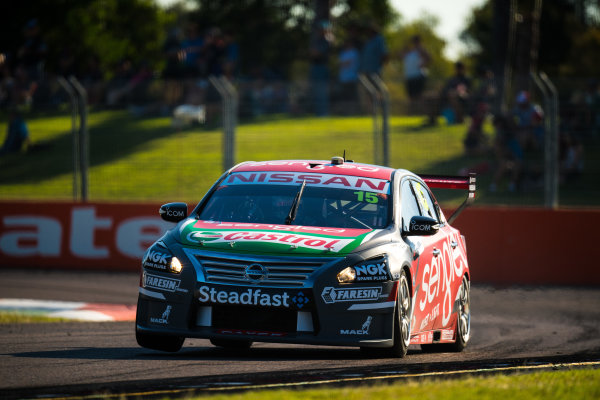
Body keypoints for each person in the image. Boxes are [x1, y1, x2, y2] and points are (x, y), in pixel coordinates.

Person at [309, 20, 333, 116]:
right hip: (315, 67)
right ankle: (317, 112)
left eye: (321, 29)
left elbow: (316, 53)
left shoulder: (326, 41)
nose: (319, 31)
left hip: (322, 68)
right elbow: (311, 53)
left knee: (322, 91)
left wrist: (315, 52)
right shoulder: (316, 40)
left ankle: (323, 113)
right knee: (315, 91)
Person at [401, 35, 430, 107]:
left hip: (418, 76)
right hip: (409, 77)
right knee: (411, 97)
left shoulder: (420, 50)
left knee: (419, 96)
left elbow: (429, 58)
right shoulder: (409, 51)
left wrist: (423, 64)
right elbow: (400, 55)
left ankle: (421, 111)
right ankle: (413, 112)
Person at [336, 38, 360, 114]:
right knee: (344, 97)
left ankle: (353, 112)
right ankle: (345, 112)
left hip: (351, 78)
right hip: (343, 78)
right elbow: (339, 64)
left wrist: (341, 63)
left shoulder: (354, 52)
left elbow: (345, 63)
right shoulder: (343, 53)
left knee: (352, 97)